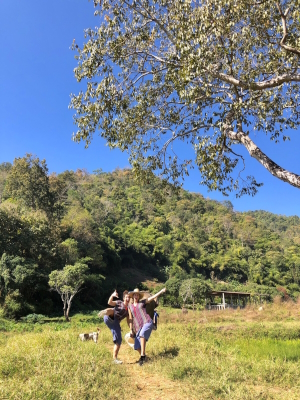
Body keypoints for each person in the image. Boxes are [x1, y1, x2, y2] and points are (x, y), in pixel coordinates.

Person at [128, 287, 166, 366]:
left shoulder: (142, 302)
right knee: (136, 346)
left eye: (137, 295)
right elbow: (131, 318)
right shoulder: (130, 307)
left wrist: (161, 291)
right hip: (139, 327)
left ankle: (142, 357)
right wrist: (131, 329)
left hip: (147, 322)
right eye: (134, 295)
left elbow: (152, 298)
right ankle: (145, 356)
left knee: (142, 335)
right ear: (132, 296)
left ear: (139, 296)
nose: (136, 296)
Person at [99, 289, 130, 364]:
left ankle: (114, 359)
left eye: (129, 297)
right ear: (123, 298)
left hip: (115, 322)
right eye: (126, 297)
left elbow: (128, 320)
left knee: (119, 340)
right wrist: (112, 295)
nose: (128, 299)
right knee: (113, 310)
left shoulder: (129, 309)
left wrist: (131, 329)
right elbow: (109, 302)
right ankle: (105, 311)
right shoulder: (119, 302)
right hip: (109, 317)